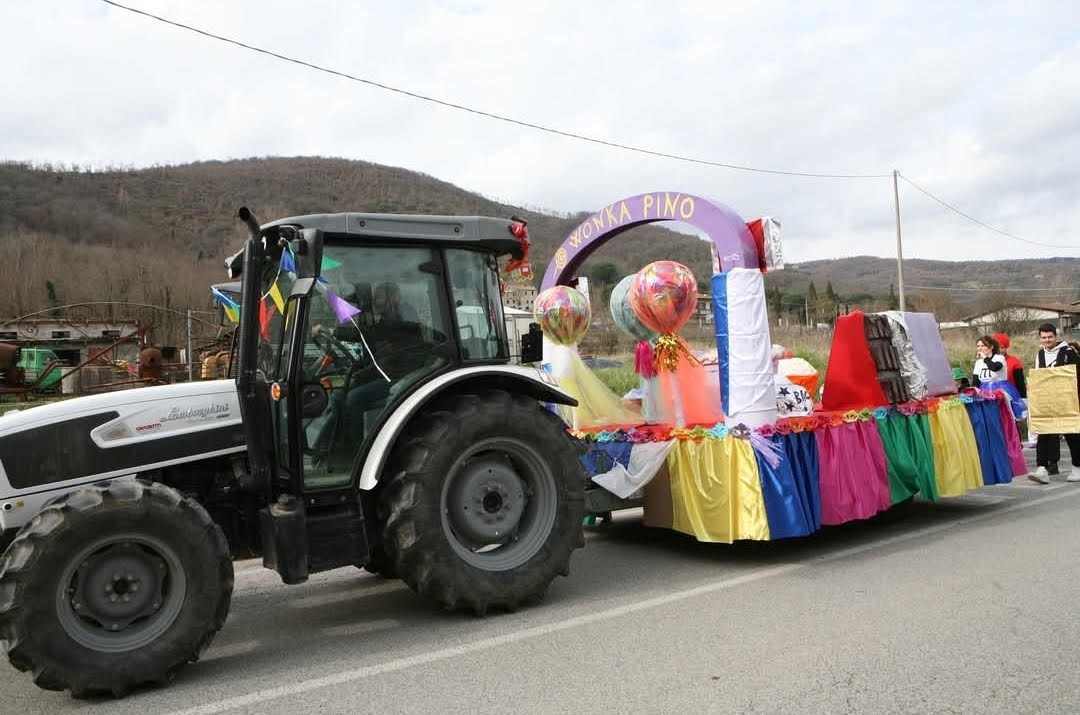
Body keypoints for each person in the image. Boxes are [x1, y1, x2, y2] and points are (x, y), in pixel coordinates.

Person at [1028, 323, 1080, 484]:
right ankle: (1042, 468)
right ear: (1040, 338)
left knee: (1072, 433)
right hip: (1047, 401)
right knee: (1043, 432)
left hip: (1067, 400)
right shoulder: (1040, 354)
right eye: (1044, 337)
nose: (1047, 340)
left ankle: (1077, 468)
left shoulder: (1068, 352)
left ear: (1055, 336)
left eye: (1050, 337)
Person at [971, 335, 1025, 419]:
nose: (980, 348)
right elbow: (975, 381)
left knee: (1003, 417)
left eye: (983, 346)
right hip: (984, 391)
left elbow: (994, 367)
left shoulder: (999, 358)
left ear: (991, 347)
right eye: (978, 346)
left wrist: (985, 358)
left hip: (1000, 390)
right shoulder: (979, 362)